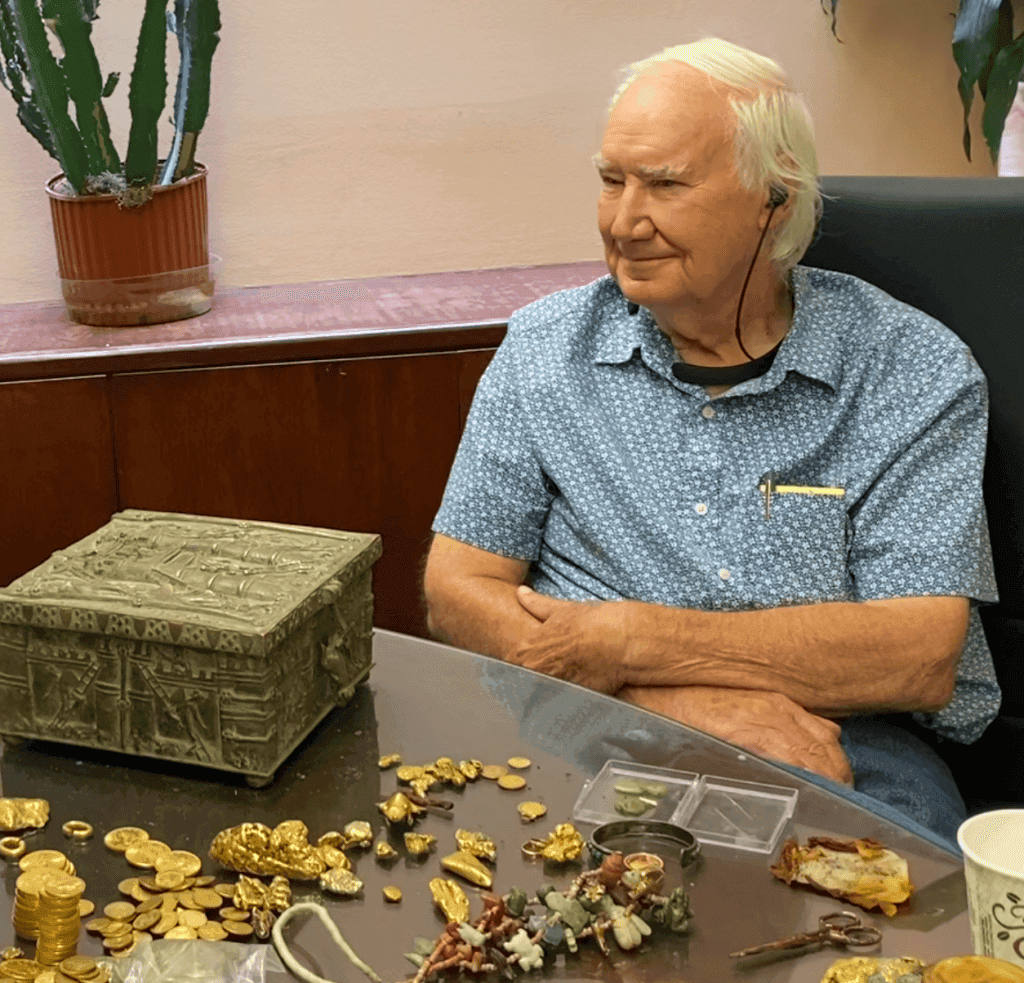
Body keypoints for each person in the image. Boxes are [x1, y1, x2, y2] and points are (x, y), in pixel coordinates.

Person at [423, 38, 1000, 841]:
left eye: (664, 184)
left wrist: (628, 637)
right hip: (580, 726)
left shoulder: (911, 368)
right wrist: (676, 707)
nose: (624, 222)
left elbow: (918, 654)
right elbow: (458, 589)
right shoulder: (543, 350)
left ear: (775, 199)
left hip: (839, 746)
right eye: (610, 180)